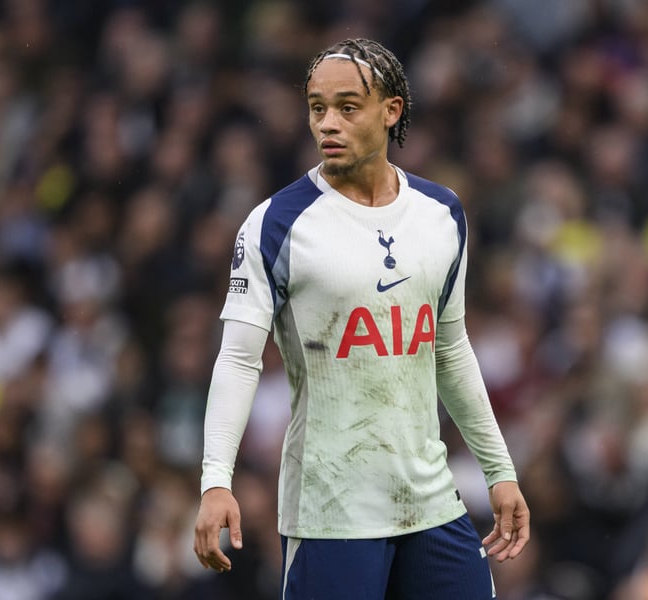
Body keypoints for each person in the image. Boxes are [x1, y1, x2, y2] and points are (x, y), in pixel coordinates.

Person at [194, 38, 530, 599]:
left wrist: (499, 471)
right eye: (317, 108)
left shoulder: (441, 214)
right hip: (331, 513)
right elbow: (237, 359)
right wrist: (215, 481)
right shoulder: (275, 224)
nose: (328, 123)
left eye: (347, 107)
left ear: (391, 110)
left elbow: (449, 349)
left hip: (430, 503)